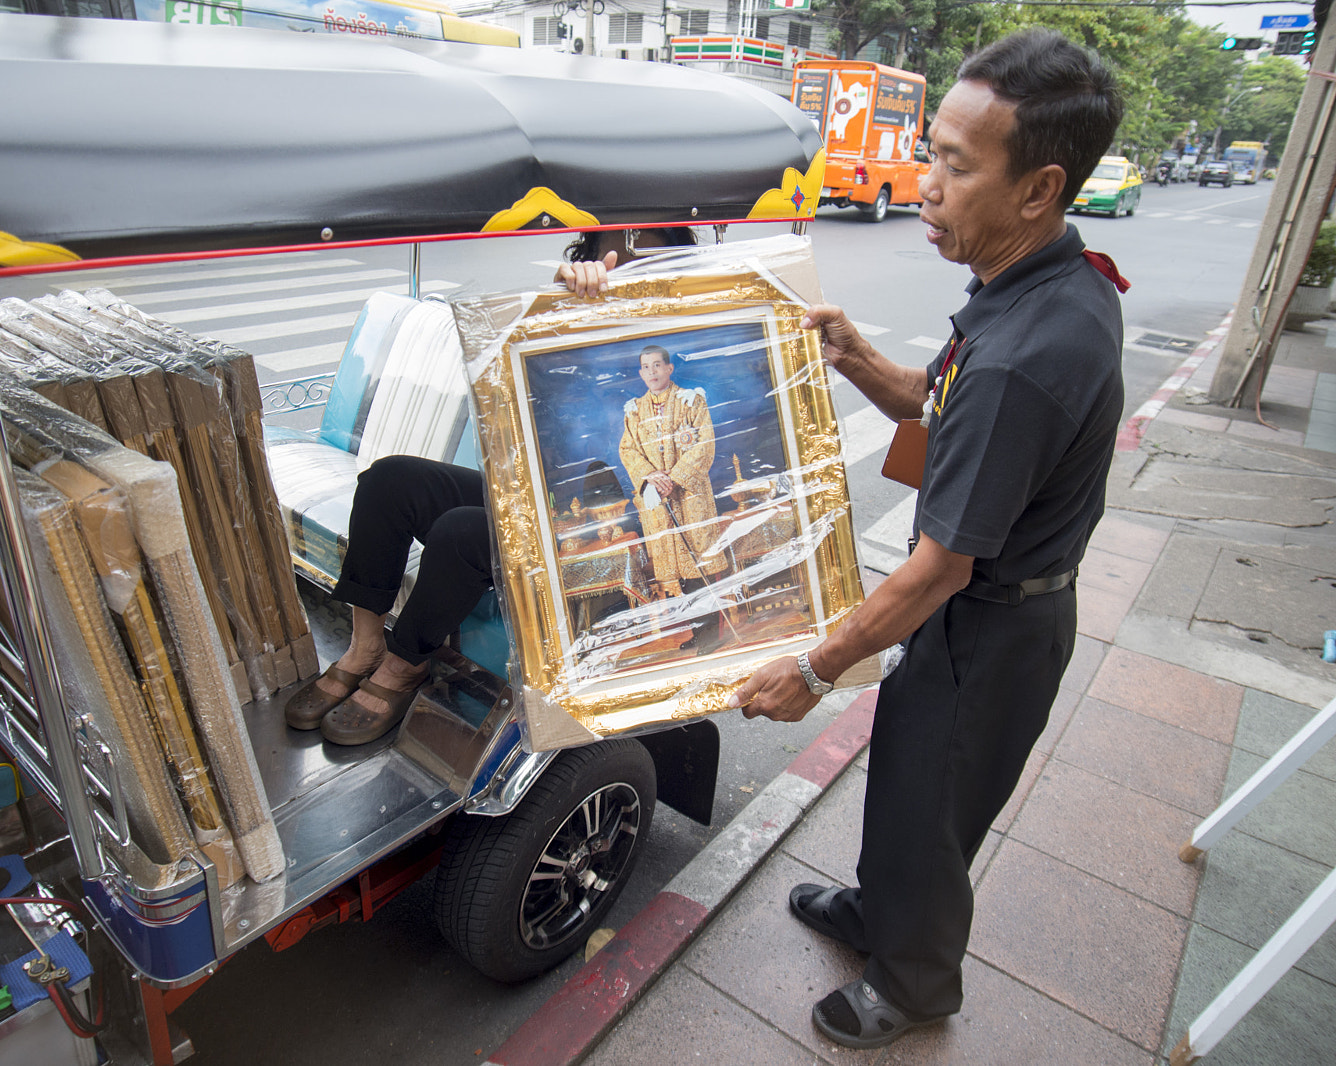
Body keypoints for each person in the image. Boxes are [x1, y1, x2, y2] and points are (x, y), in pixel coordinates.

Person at [728, 29, 1126, 1050]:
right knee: (910, 782)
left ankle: (913, 984)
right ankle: (875, 911)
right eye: (931, 149)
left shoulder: (1023, 355)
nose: (925, 180)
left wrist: (812, 671)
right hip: (981, 610)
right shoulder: (1032, 284)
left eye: (953, 163)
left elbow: (938, 564)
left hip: (990, 623)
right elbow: (930, 399)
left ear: (1038, 188)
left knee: (934, 807)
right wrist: (856, 353)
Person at [286, 227, 687, 745]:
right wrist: (562, 303)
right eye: (611, 249)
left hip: (606, 520)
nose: (621, 260)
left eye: (639, 251)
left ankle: (404, 665)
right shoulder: (573, 324)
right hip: (538, 496)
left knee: (460, 532)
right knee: (390, 481)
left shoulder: (679, 350)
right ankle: (365, 647)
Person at [617, 344, 728, 601]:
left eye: (657, 365)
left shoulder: (691, 401)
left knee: (699, 558)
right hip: (658, 496)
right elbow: (628, 450)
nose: (652, 371)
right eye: (646, 367)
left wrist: (675, 478)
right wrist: (652, 477)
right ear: (641, 373)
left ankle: (710, 627)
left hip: (690, 495)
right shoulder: (634, 411)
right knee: (674, 566)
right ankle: (695, 627)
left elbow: (705, 444)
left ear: (669, 368)